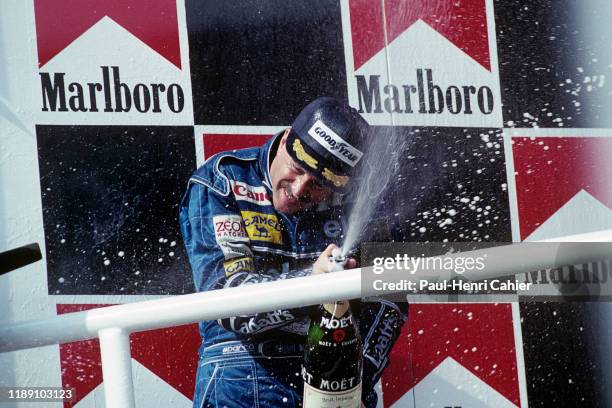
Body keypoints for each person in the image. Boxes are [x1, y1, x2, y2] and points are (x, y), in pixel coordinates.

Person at [179, 97, 405, 408]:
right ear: (286, 138)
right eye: (297, 169)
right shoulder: (223, 181)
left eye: (318, 185)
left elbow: (390, 300)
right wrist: (312, 284)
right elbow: (226, 304)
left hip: (336, 378)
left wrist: (356, 378)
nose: (299, 189)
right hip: (243, 370)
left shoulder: (362, 204)